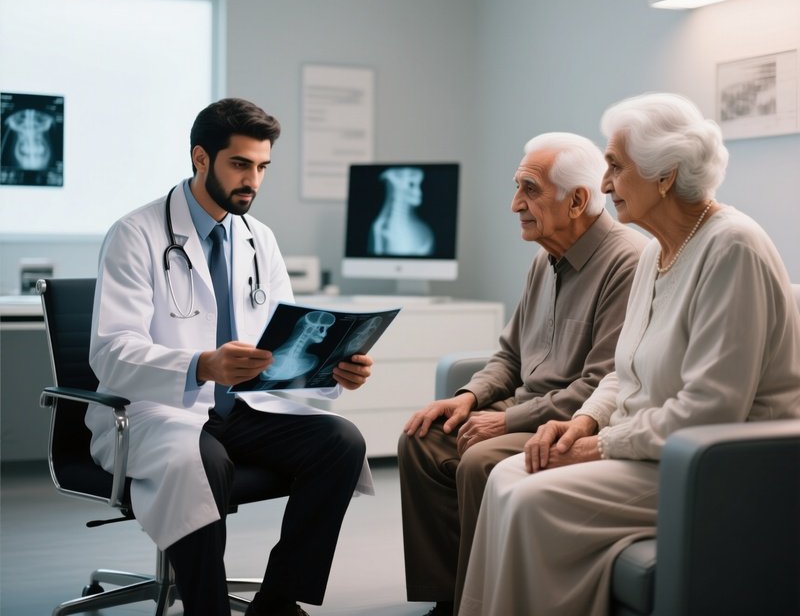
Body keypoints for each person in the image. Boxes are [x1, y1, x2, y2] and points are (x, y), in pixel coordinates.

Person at [459, 92, 800, 616]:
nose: (603, 183)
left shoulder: (733, 247)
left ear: (664, 175)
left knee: (528, 495)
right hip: (651, 448)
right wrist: (584, 422)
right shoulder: (659, 251)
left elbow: (711, 409)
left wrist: (600, 446)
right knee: (507, 476)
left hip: (714, 465)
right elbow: (625, 370)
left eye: (615, 166)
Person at [88, 98, 375, 616]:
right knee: (204, 460)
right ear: (201, 158)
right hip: (160, 411)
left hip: (243, 408)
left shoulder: (258, 238)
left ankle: (278, 600)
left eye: (262, 167)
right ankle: (206, 609)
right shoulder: (136, 235)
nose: (253, 181)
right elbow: (112, 354)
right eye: (240, 164)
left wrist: (330, 367)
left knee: (340, 442)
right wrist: (202, 365)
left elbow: (281, 344)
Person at [398, 132, 649, 616]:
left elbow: (601, 382)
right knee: (421, 438)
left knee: (478, 459)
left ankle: (485, 599)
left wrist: (507, 422)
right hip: (524, 410)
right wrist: (470, 398)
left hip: (575, 421)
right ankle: (447, 595)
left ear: (576, 200)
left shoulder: (627, 261)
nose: (515, 204)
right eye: (517, 188)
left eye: (529, 190)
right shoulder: (543, 259)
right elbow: (510, 356)